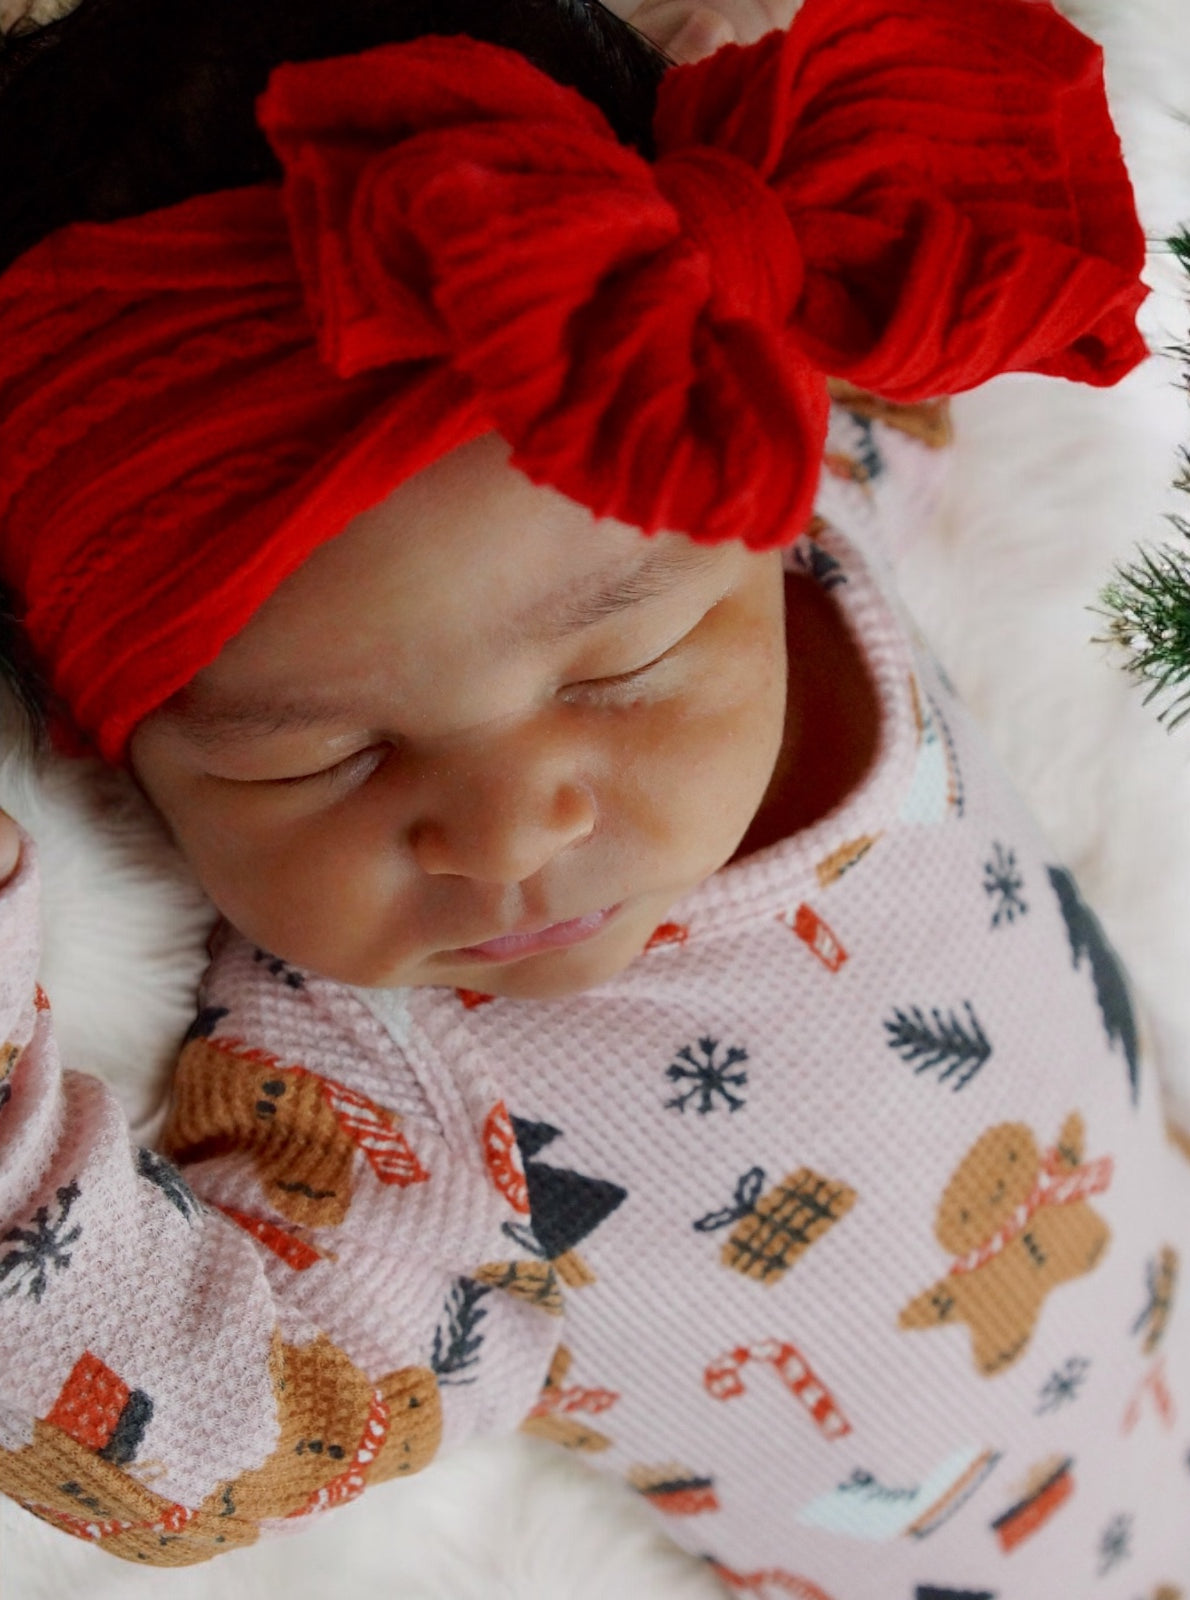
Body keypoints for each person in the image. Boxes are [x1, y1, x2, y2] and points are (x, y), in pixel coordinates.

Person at [0, 0, 1186, 1591]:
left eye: (620, 666)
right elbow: (196, 1447)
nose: (507, 832)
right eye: (311, 755)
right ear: (104, 742)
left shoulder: (808, 493)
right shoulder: (384, 1099)